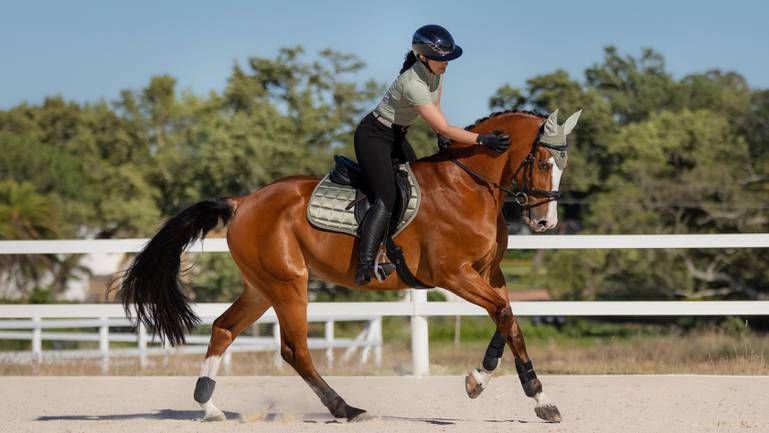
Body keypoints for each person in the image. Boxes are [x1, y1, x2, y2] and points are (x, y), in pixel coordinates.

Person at [353, 24, 512, 285]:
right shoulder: (412, 83)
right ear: (423, 57)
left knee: (417, 188)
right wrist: (483, 139)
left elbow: (437, 111)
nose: (446, 63)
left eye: (448, 58)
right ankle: (366, 263)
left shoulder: (435, 73)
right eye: (441, 59)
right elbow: (442, 126)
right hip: (373, 137)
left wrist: (443, 136)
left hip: (395, 135)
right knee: (387, 196)